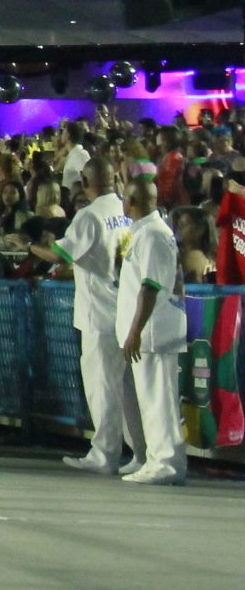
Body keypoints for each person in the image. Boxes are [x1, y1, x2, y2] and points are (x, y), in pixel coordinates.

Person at [31, 164, 138, 477]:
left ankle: (105, 453)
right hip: (125, 309)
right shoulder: (124, 209)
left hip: (99, 313)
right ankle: (139, 453)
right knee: (128, 390)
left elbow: (61, 255)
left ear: (86, 182)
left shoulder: (90, 216)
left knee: (102, 387)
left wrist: (29, 247)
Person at [114, 179, 189, 486]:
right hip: (149, 332)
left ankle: (166, 462)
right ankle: (155, 459)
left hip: (154, 333)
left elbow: (151, 287)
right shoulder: (143, 233)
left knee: (159, 401)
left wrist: (135, 331)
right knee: (150, 399)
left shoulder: (154, 235)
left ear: (131, 201)